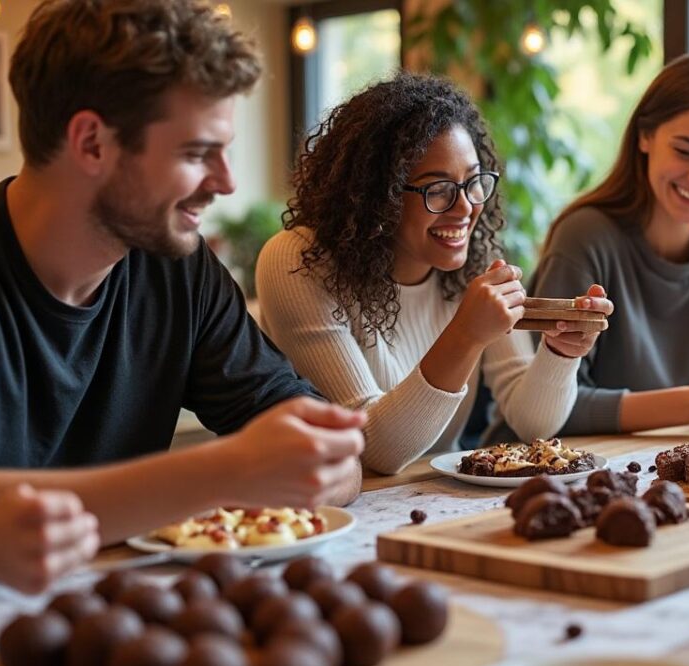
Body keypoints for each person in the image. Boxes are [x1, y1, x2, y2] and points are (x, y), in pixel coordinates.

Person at [0, 0, 366, 591]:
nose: (226, 182)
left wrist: (319, 460)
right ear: (92, 143)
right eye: (198, 153)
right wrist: (230, 471)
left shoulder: (177, 264)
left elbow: (307, 436)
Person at [255, 73, 611, 475]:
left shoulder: (473, 257)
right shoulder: (298, 261)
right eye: (438, 189)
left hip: (438, 497)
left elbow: (533, 423)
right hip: (329, 506)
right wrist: (465, 335)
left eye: (474, 182)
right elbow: (375, 450)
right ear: (378, 195)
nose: (465, 209)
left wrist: (560, 353)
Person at [509, 54, 689, 437]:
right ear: (645, 136)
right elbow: (548, 414)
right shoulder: (584, 237)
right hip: (541, 475)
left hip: (669, 471)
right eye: (685, 151)